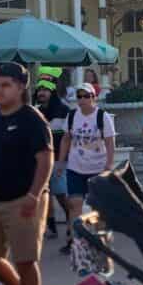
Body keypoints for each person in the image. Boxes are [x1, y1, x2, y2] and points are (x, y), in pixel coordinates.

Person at [0, 62, 53, 285]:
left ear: (20, 87)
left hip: (24, 199)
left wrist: (34, 195)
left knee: (25, 261)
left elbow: (45, 159)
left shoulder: (32, 120)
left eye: (5, 85)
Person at [56, 83, 115, 255]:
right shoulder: (72, 116)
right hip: (75, 167)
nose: (82, 100)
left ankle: (101, 241)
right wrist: (60, 162)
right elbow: (66, 139)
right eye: (79, 96)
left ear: (93, 98)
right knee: (75, 204)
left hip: (97, 167)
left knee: (99, 207)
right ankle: (75, 242)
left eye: (86, 96)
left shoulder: (102, 117)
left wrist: (109, 165)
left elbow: (110, 142)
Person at [35, 68, 71, 244]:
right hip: (41, 159)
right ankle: (50, 226)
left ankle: (73, 220)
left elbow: (67, 137)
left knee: (60, 193)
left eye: (45, 90)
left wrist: (62, 162)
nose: (41, 93)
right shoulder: (36, 111)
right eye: (39, 90)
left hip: (58, 159)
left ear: (53, 91)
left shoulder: (64, 110)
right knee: (45, 193)